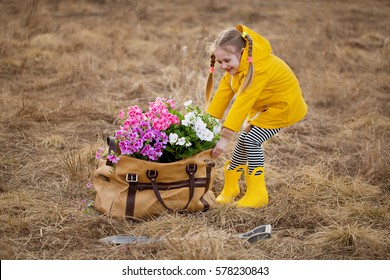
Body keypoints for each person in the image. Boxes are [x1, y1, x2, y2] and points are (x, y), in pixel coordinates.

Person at [206, 24, 308, 208]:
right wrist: (207, 124)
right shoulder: (236, 68)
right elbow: (222, 93)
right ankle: (231, 187)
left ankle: (258, 193)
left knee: (252, 140)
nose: (223, 66)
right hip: (266, 108)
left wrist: (224, 138)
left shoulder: (259, 68)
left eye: (227, 60)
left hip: (283, 107)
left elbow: (243, 102)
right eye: (220, 62)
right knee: (245, 139)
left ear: (243, 53)